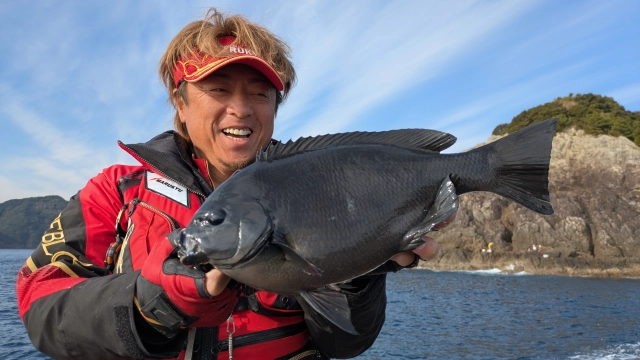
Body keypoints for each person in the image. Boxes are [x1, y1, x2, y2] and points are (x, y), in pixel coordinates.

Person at [16, 8, 451, 359]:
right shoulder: (116, 191)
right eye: (218, 89)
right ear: (180, 102)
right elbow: (39, 306)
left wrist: (356, 273)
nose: (240, 109)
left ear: (275, 106)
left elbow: (346, 344)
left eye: (260, 94)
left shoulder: (320, 187)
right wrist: (148, 302)